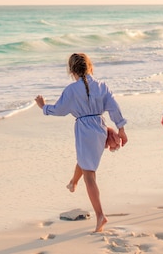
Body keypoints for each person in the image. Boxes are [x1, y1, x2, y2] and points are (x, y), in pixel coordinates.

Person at [35, 53, 128, 233]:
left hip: (84, 129)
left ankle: (100, 215)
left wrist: (43, 106)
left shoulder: (71, 90)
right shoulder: (102, 86)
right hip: (100, 127)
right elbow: (114, 107)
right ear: (90, 67)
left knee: (90, 174)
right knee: (86, 160)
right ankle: (73, 182)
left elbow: (59, 110)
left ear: (71, 70)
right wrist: (121, 128)